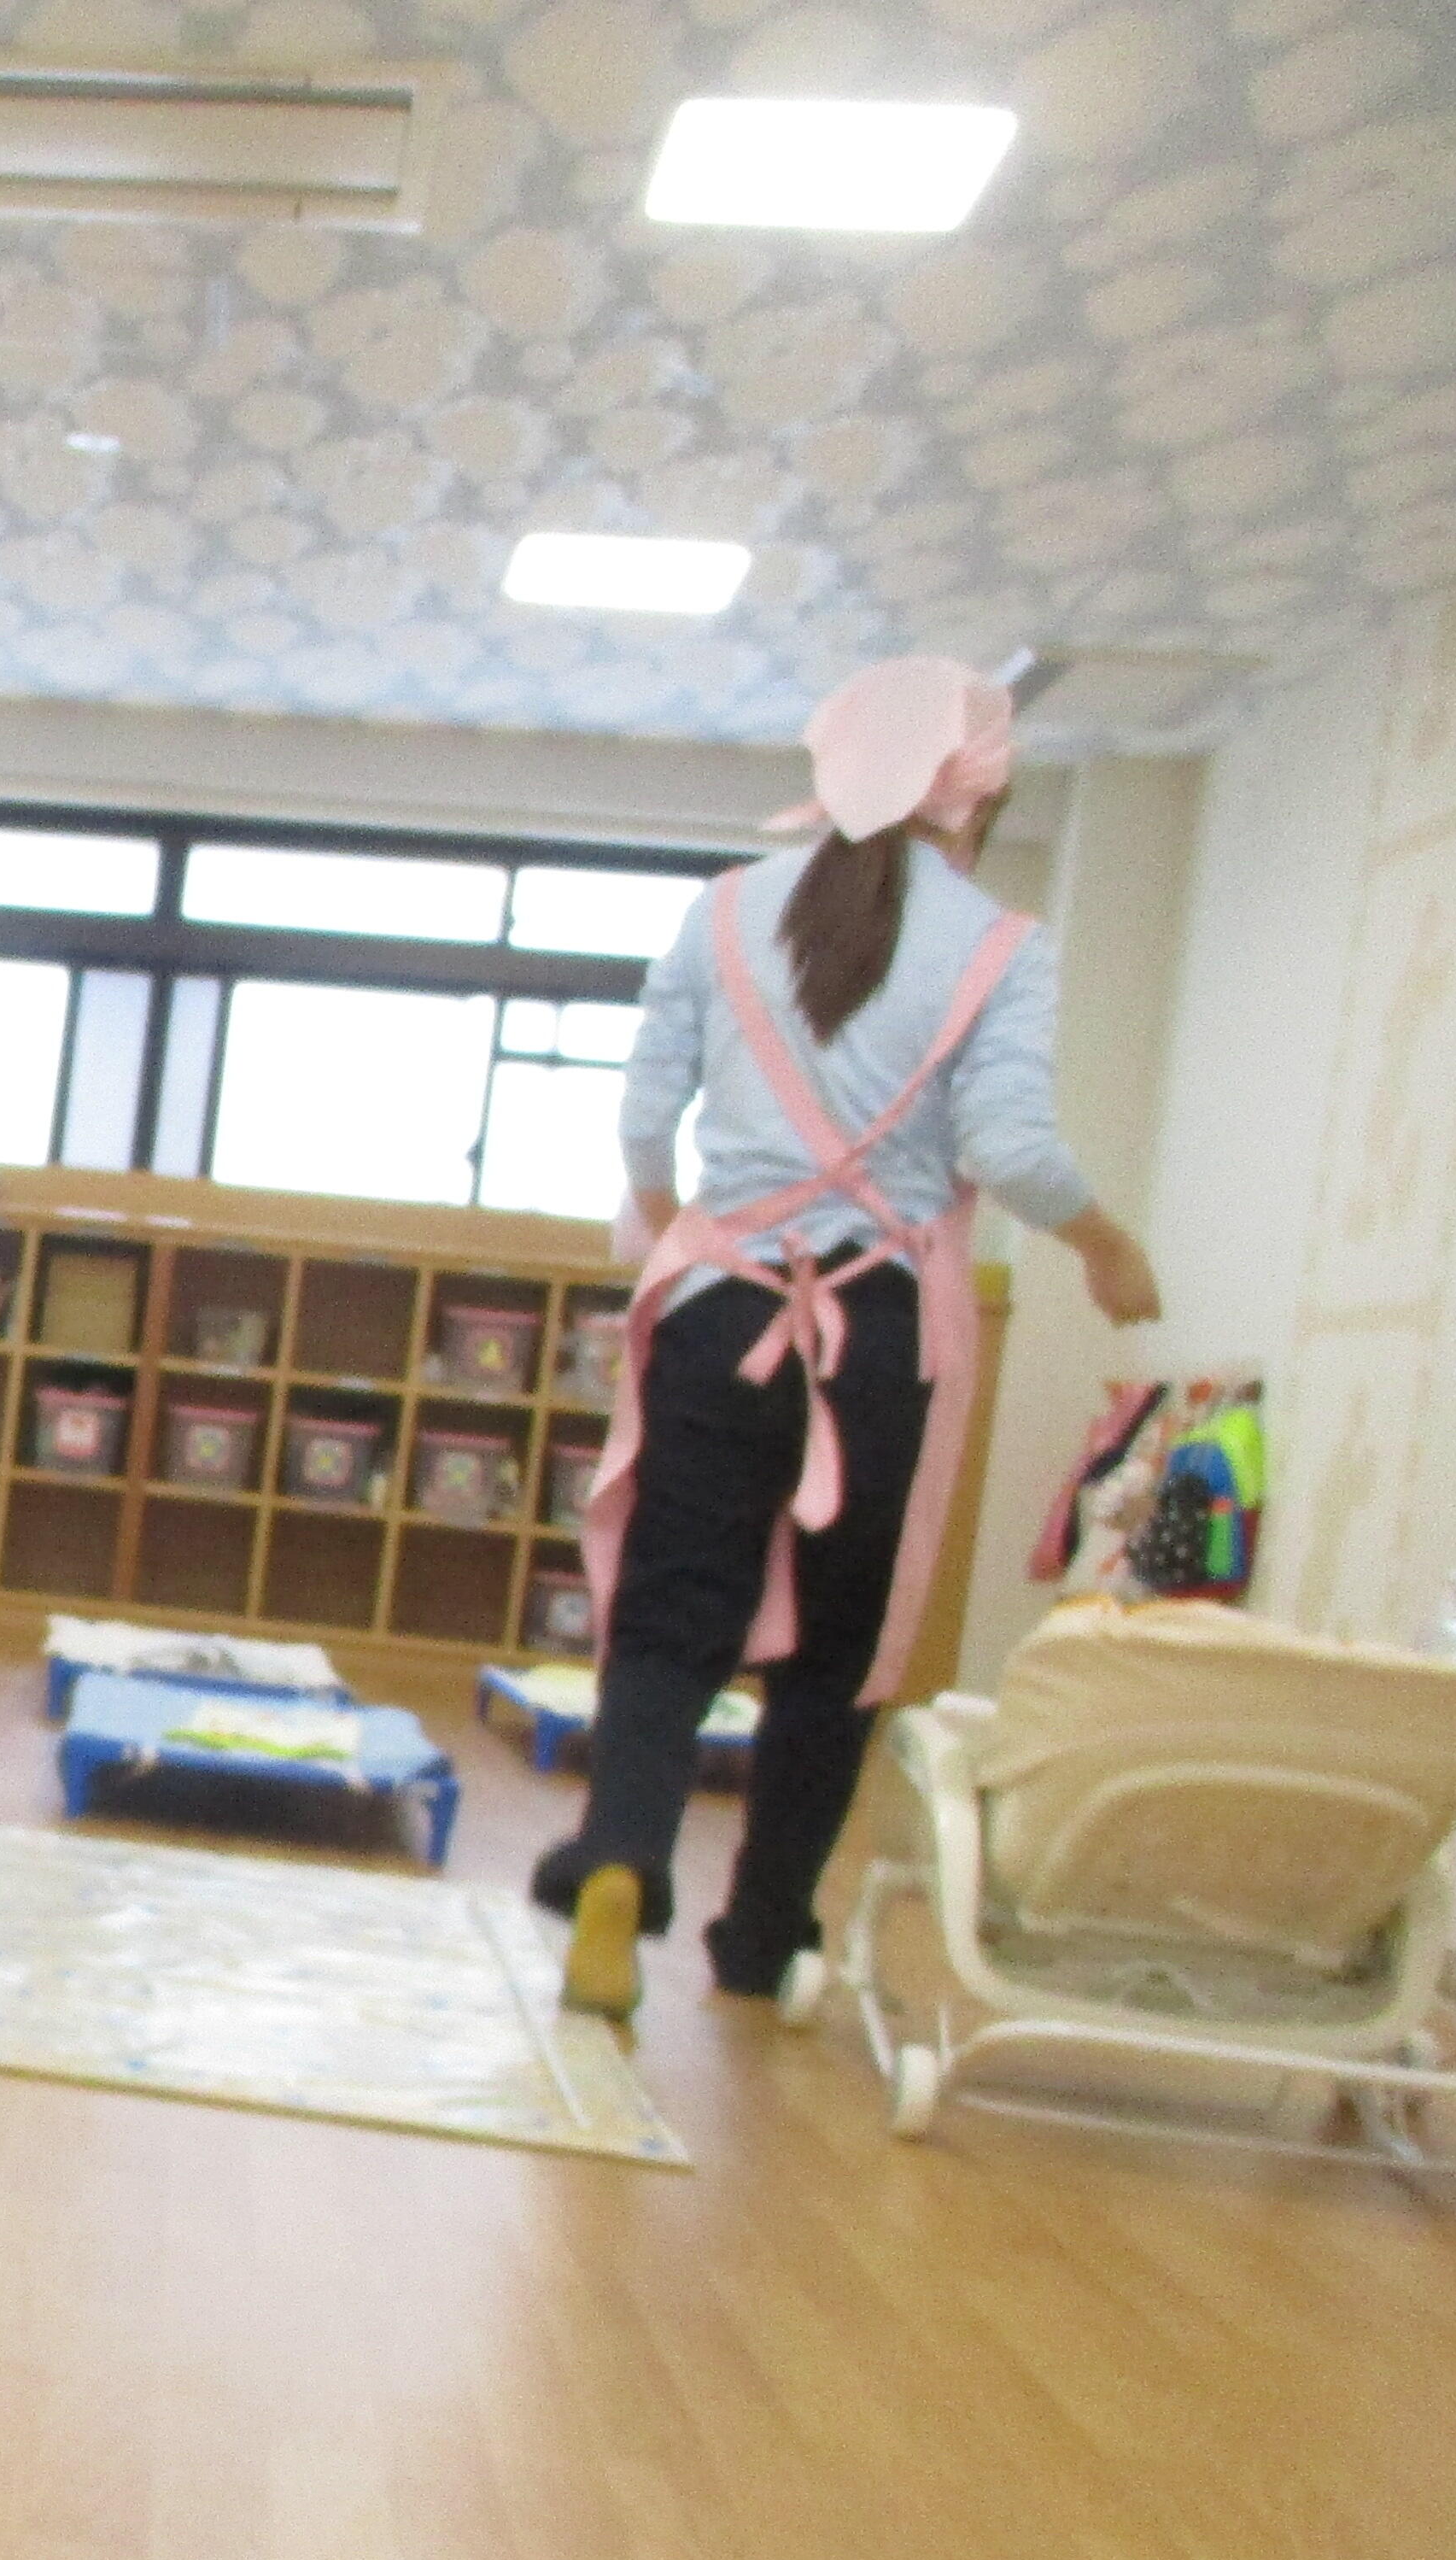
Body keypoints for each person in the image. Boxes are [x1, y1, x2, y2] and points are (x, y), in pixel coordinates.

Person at [534, 656, 1163, 2024]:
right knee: (837, 1653)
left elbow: (646, 1126)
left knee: (669, 1619)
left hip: (720, 1320)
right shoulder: (1001, 947)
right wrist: (1109, 1244)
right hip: (880, 1338)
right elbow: (1011, 1148)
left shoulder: (722, 914)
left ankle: (621, 1857)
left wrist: (675, 1228)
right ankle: (762, 1940)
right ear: (980, 798)